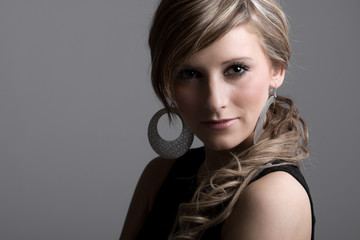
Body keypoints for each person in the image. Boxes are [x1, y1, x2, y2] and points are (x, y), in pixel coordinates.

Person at [120, 0, 315, 239]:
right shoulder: (159, 175)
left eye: (236, 69)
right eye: (189, 73)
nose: (214, 101)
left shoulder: (274, 197)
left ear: (277, 69)